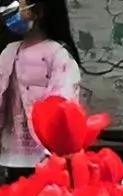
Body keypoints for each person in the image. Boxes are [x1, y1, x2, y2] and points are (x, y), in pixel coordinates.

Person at [0, 0, 79, 174]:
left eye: (20, 5)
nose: (12, 12)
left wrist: (52, 140)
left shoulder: (58, 54)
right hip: (11, 151)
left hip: (44, 152)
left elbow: (63, 100)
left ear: (40, 11)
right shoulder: (9, 52)